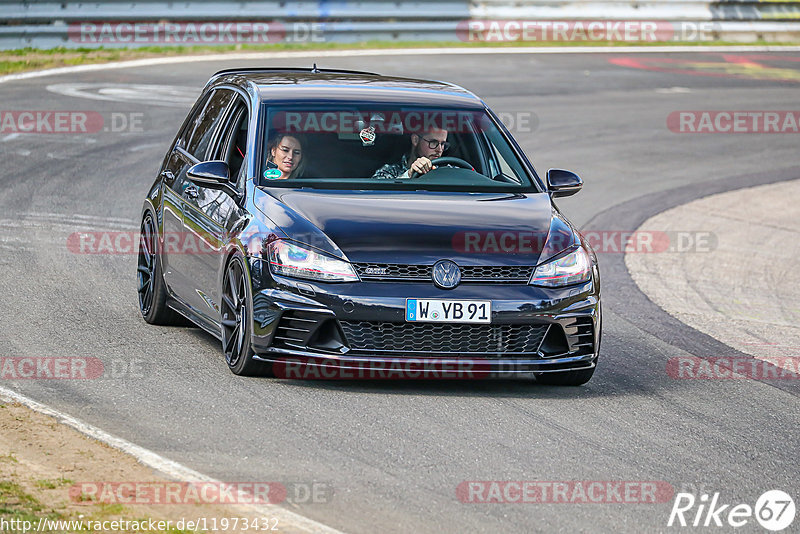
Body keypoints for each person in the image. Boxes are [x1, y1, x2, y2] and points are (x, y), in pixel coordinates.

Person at [372, 128, 449, 179]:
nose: (439, 150)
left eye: (443, 144)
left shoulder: (449, 170)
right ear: (415, 140)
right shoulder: (390, 172)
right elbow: (376, 196)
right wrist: (408, 175)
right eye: (433, 142)